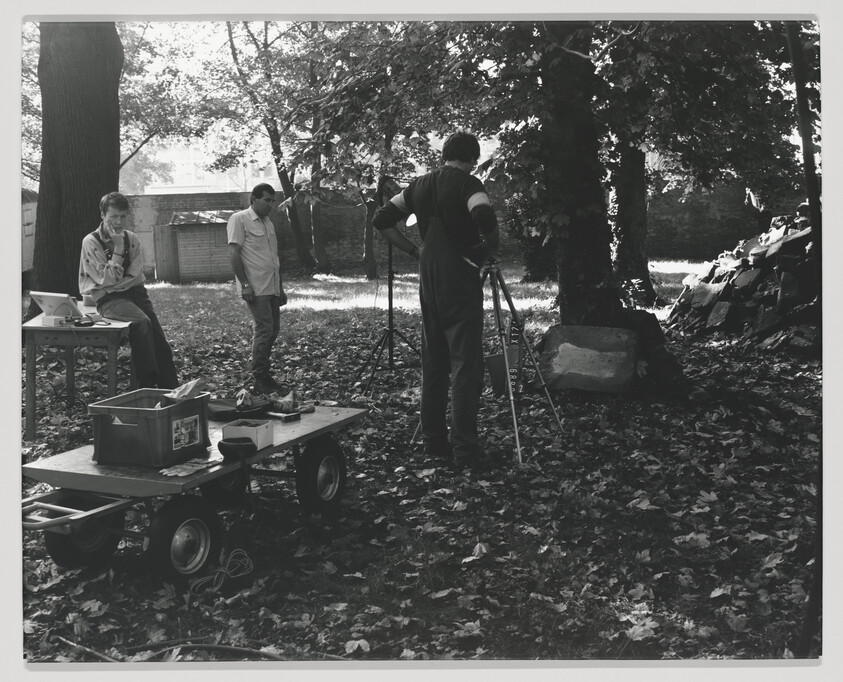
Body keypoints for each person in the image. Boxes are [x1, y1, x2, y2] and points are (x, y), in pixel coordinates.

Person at [373, 131, 500, 468]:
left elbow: (381, 219)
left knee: (434, 361)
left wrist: (414, 250)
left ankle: (434, 443)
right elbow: (484, 217)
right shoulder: (469, 184)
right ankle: (466, 452)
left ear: (445, 154)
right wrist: (488, 249)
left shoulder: (419, 185)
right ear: (472, 158)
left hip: (428, 278)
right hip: (459, 278)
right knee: (465, 365)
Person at [79, 191, 179, 389]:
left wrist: (110, 284)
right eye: (113, 217)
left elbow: (134, 276)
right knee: (141, 323)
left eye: (122, 216)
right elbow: (106, 279)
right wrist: (117, 249)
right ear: (102, 216)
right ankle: (146, 386)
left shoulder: (132, 238)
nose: (118, 222)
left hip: (135, 294)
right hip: (109, 301)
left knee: (160, 344)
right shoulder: (90, 242)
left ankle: (171, 393)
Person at [227, 183, 288, 395]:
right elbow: (234, 254)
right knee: (264, 329)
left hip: (271, 285)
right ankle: (260, 378)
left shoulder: (268, 222)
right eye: (267, 200)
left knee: (273, 330)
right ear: (253, 199)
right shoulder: (239, 218)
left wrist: (280, 286)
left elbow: (273, 258)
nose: (270, 204)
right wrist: (244, 284)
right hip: (255, 286)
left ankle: (264, 374)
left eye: (272, 200)